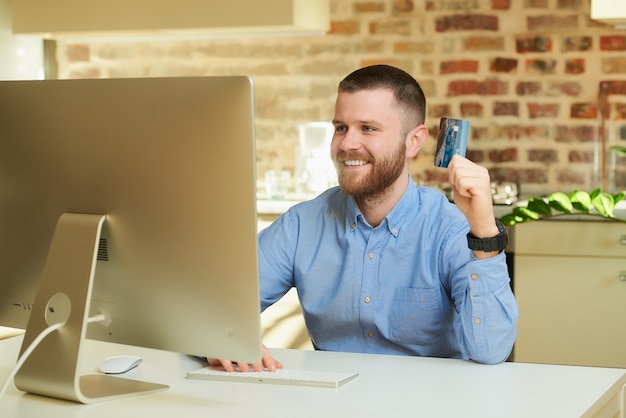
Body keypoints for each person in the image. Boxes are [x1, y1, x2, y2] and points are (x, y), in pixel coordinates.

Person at [211, 64, 518, 372]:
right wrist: (220, 338)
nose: (346, 144)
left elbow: (491, 350)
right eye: (341, 127)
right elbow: (216, 308)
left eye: (368, 128)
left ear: (414, 141)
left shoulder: (448, 229)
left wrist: (484, 232)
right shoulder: (302, 225)